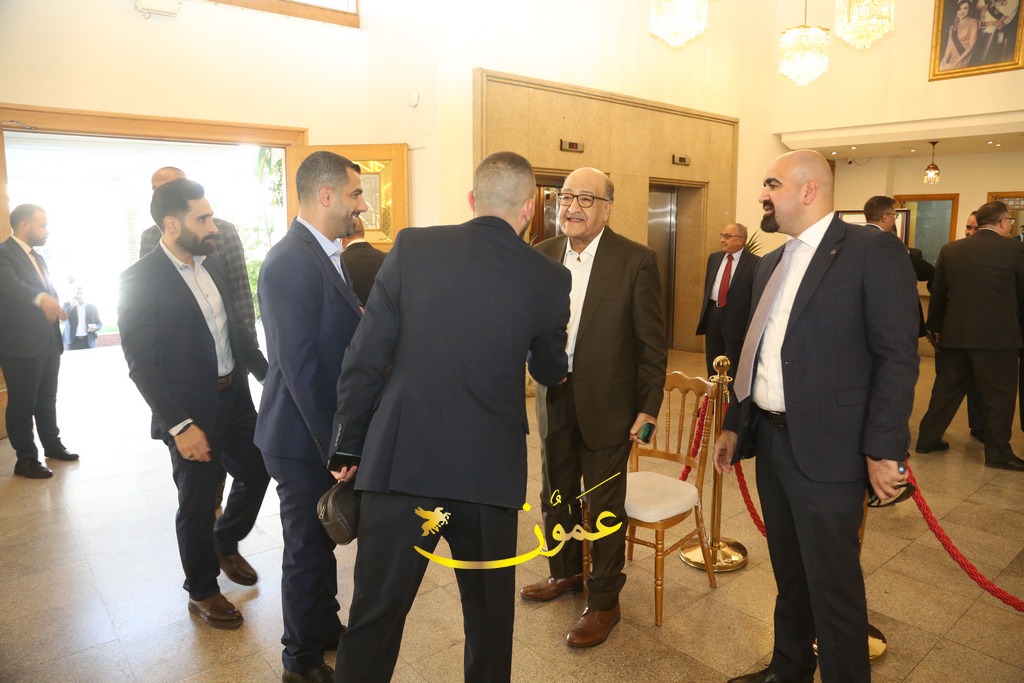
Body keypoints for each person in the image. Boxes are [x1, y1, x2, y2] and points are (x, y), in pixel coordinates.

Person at [331, 151, 571, 682]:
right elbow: (551, 370)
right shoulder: (549, 277)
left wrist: (347, 445)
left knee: (374, 617)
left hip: (402, 463)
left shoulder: (413, 248)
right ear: (528, 209)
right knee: (488, 623)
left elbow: (365, 355)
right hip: (488, 474)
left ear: (471, 199)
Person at [714, 150, 919, 683]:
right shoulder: (773, 262)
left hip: (831, 449)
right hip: (772, 441)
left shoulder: (870, 250)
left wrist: (884, 449)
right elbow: (755, 351)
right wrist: (735, 422)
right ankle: (789, 669)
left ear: (808, 190)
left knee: (834, 588)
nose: (762, 195)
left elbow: (897, 356)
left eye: (772, 184)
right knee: (790, 575)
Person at [520, 166, 668, 648]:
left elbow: (652, 345)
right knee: (556, 492)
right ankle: (565, 572)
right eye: (566, 197)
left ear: (608, 208)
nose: (573, 207)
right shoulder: (542, 255)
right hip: (554, 397)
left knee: (603, 504)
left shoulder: (636, 260)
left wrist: (649, 408)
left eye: (586, 198)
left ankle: (604, 601)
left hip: (611, 406)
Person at [118, 179, 271, 629]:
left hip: (234, 397)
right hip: (190, 411)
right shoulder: (139, 279)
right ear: (172, 224)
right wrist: (180, 425)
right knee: (198, 502)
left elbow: (233, 331)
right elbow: (142, 364)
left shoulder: (213, 263)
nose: (213, 226)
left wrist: (268, 374)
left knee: (258, 469)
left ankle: (225, 541)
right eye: (202, 219)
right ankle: (202, 591)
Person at [254, 151, 366, 683]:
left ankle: (323, 628)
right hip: (300, 437)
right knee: (305, 551)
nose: (361, 205)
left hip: (316, 433)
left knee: (321, 545)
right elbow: (298, 368)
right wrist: (336, 446)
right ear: (326, 195)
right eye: (355, 194)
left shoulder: (324, 253)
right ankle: (298, 662)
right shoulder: (290, 261)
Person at [917, 201, 1024, 470]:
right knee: (999, 397)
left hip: (956, 334)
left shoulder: (951, 249)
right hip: (998, 339)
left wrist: (934, 327)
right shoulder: (1016, 250)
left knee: (945, 391)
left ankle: (927, 440)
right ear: (1002, 222)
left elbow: (938, 293)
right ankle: (998, 454)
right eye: (1009, 221)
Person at [140, 167, 258, 349]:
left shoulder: (222, 232)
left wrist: (249, 347)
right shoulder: (149, 238)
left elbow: (240, 289)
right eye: (156, 189)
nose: (162, 194)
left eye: (171, 186)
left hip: (227, 345)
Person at [0, 204, 78, 479]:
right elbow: (9, 285)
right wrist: (41, 298)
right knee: (22, 403)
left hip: (48, 339)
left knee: (47, 397)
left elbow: (44, 287)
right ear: (24, 225)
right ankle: (26, 459)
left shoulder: (38, 257)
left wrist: (55, 304)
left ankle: (52, 444)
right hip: (20, 343)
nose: (47, 231)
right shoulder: (3, 253)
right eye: (42, 225)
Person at [695, 223, 759, 378]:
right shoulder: (714, 258)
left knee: (733, 360)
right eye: (722, 235)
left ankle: (730, 392)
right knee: (713, 358)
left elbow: (755, 296)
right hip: (713, 314)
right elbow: (709, 286)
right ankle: (713, 388)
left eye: (728, 236)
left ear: (740, 240)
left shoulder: (755, 263)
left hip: (737, 318)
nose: (722, 240)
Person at [340, 216, 387, 306]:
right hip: (380, 313)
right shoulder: (385, 258)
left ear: (343, 237)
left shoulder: (340, 261)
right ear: (363, 232)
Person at [974, 0, 1019, 65]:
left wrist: (988, 24)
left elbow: (1002, 22)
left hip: (993, 31)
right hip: (977, 25)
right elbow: (979, 8)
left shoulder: (1014, 2)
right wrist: (984, 7)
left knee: (983, 60)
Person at [941, 1, 980, 70]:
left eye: (965, 8)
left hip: (963, 58)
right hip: (951, 57)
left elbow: (971, 47)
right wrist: (945, 59)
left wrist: (955, 63)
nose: (961, 12)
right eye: (959, 9)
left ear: (969, 9)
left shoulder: (974, 22)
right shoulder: (952, 27)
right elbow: (949, 46)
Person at [63, 286, 102, 350]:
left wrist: (95, 327)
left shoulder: (92, 307)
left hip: (88, 341)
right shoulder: (67, 305)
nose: (80, 295)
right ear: (73, 295)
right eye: (77, 293)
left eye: (82, 293)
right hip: (72, 342)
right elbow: (63, 318)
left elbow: (99, 323)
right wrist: (72, 306)